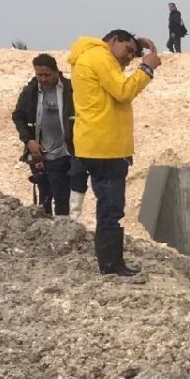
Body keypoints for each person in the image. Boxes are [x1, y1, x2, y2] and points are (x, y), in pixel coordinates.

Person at [68, 29, 160, 276]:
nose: (129, 57)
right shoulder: (100, 57)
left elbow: (114, 87)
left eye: (133, 53)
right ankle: (111, 267)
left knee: (109, 208)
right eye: (127, 50)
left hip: (98, 144)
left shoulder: (91, 57)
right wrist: (147, 68)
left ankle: (111, 264)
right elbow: (123, 91)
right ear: (113, 41)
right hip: (105, 148)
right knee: (110, 209)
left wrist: (135, 49)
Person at [12, 54, 79, 218]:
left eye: (46, 75)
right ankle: (46, 233)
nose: (42, 79)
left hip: (66, 154)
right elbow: (19, 117)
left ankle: (62, 233)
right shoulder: (31, 91)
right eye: (38, 75)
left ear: (57, 72)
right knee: (44, 200)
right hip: (39, 155)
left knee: (63, 198)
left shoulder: (71, 90)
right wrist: (29, 141)